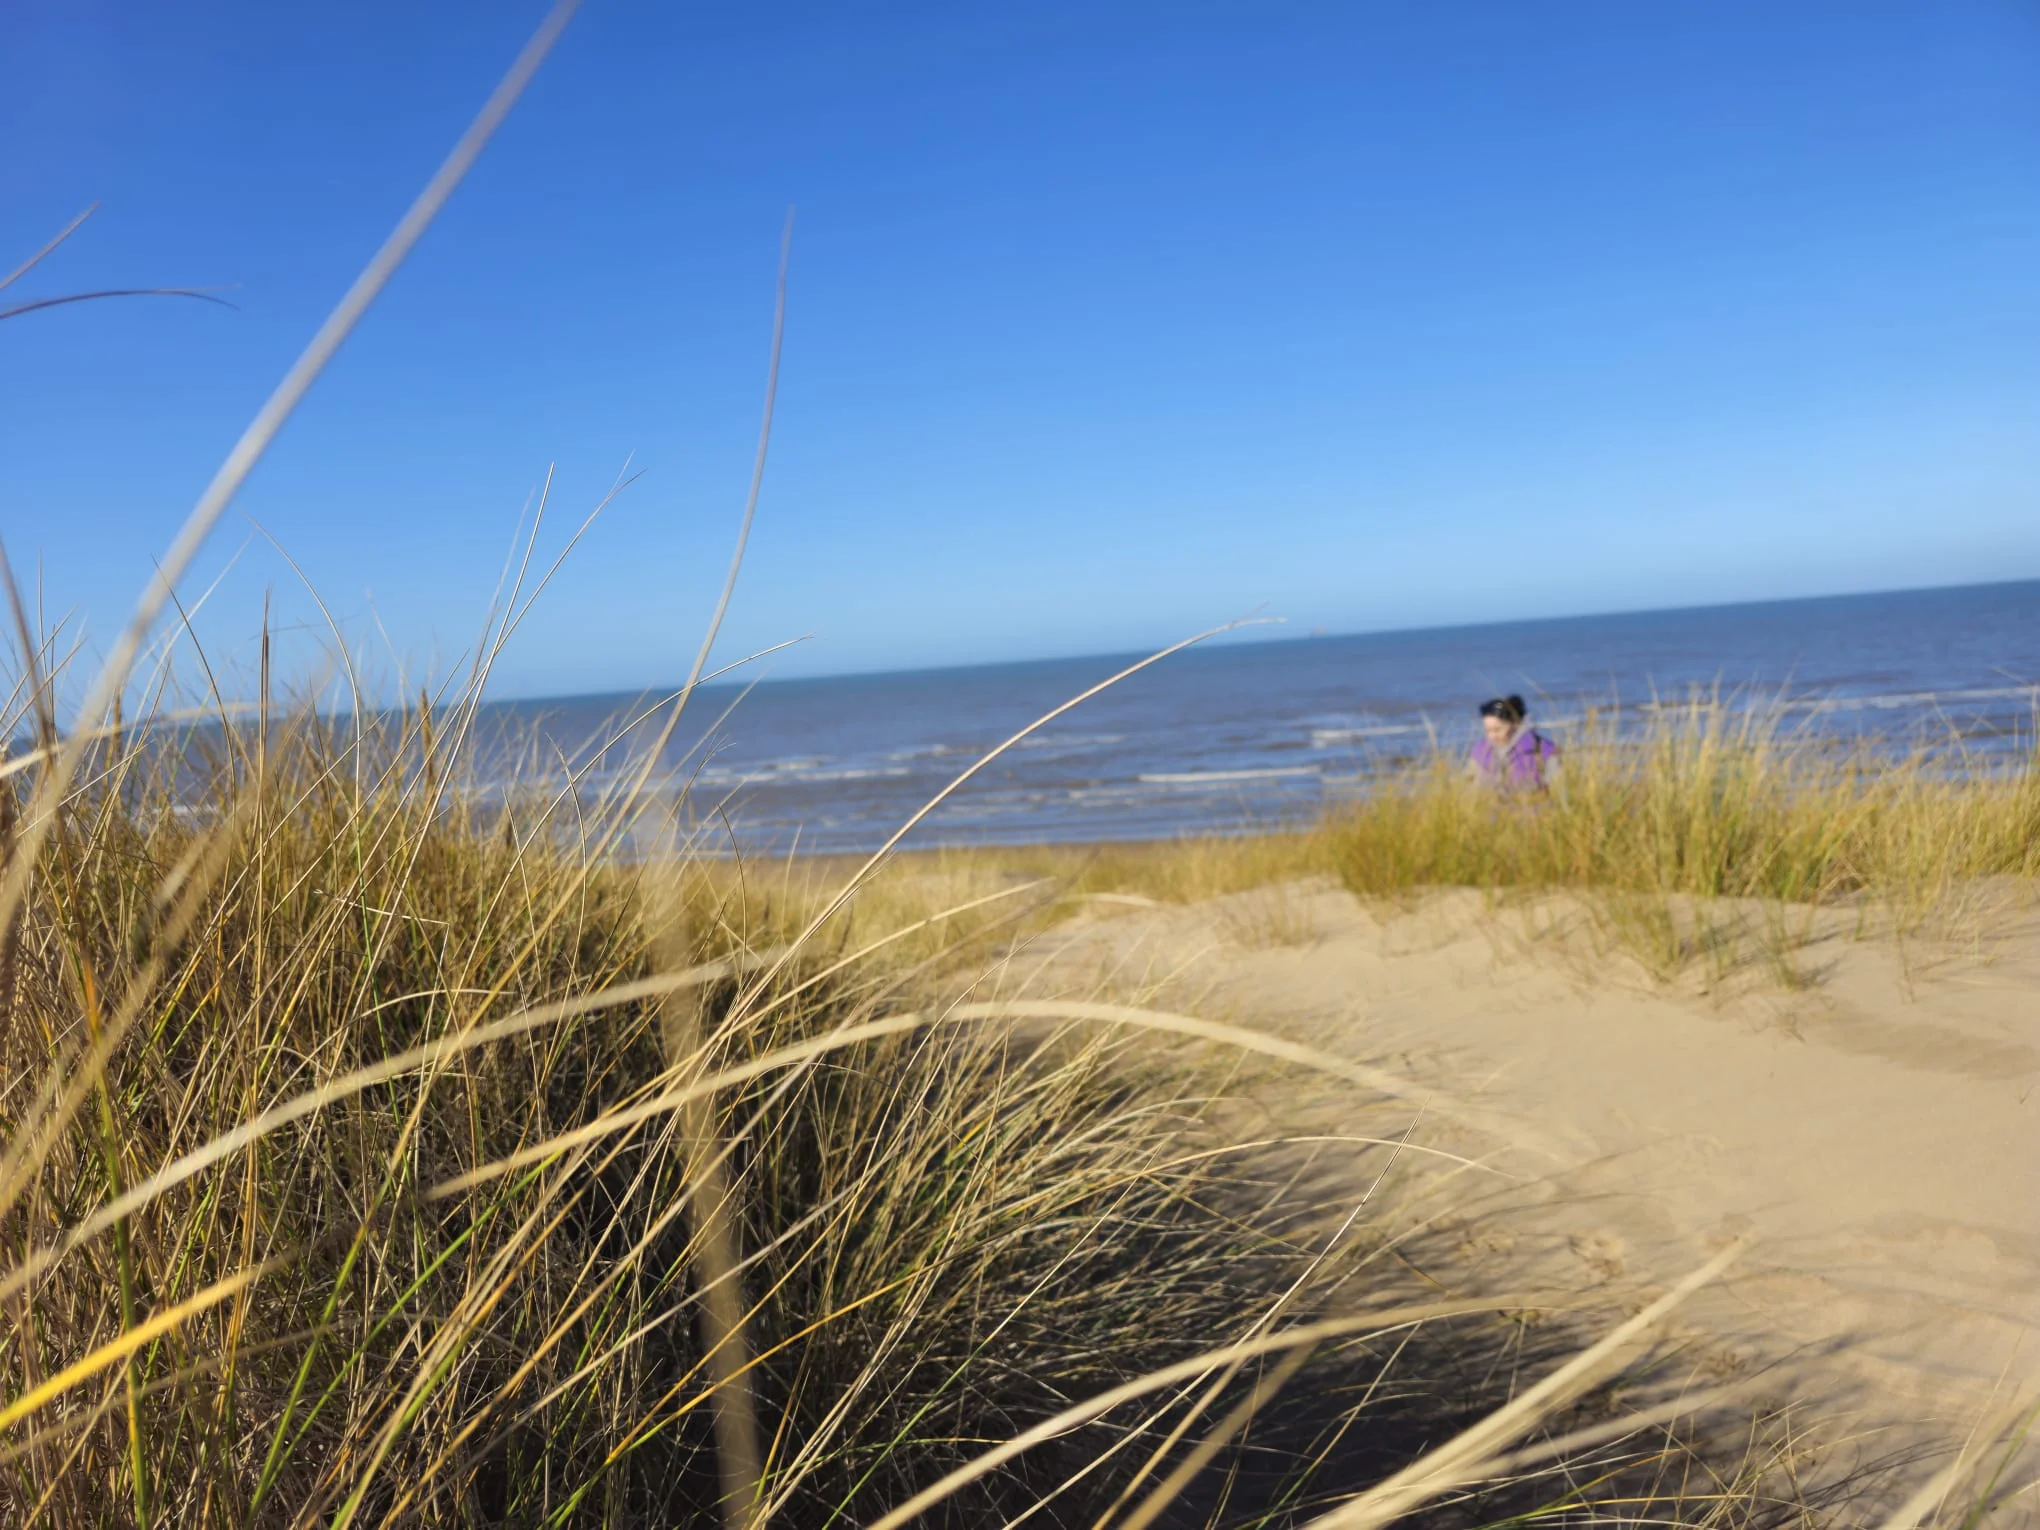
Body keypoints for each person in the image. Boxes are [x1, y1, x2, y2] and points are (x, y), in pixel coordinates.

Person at [1470, 694, 1557, 790]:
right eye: (1488, 730)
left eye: (1497, 729)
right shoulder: (1479, 751)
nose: (1492, 736)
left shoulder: (1543, 749)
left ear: (1515, 723)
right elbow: (1470, 787)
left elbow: (1558, 788)